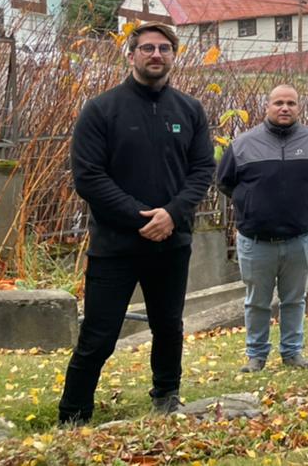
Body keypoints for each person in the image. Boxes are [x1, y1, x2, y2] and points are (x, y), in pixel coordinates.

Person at [58, 23, 215, 425]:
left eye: (164, 48)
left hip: (172, 242)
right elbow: (88, 177)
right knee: (98, 335)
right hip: (115, 246)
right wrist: (141, 217)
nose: (156, 54)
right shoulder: (101, 110)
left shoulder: (190, 110)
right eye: (147, 48)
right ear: (131, 55)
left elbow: (201, 170)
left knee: (168, 327)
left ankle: (166, 396)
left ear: (174, 57)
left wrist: (171, 215)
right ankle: (74, 413)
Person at [216, 84, 308, 373]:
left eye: (291, 103)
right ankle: (256, 356)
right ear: (267, 106)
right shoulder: (242, 144)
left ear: (299, 108)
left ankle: (292, 353)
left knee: (294, 300)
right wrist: (253, 204)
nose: (285, 108)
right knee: (257, 302)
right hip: (256, 242)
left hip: (299, 239)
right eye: (279, 103)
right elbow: (225, 182)